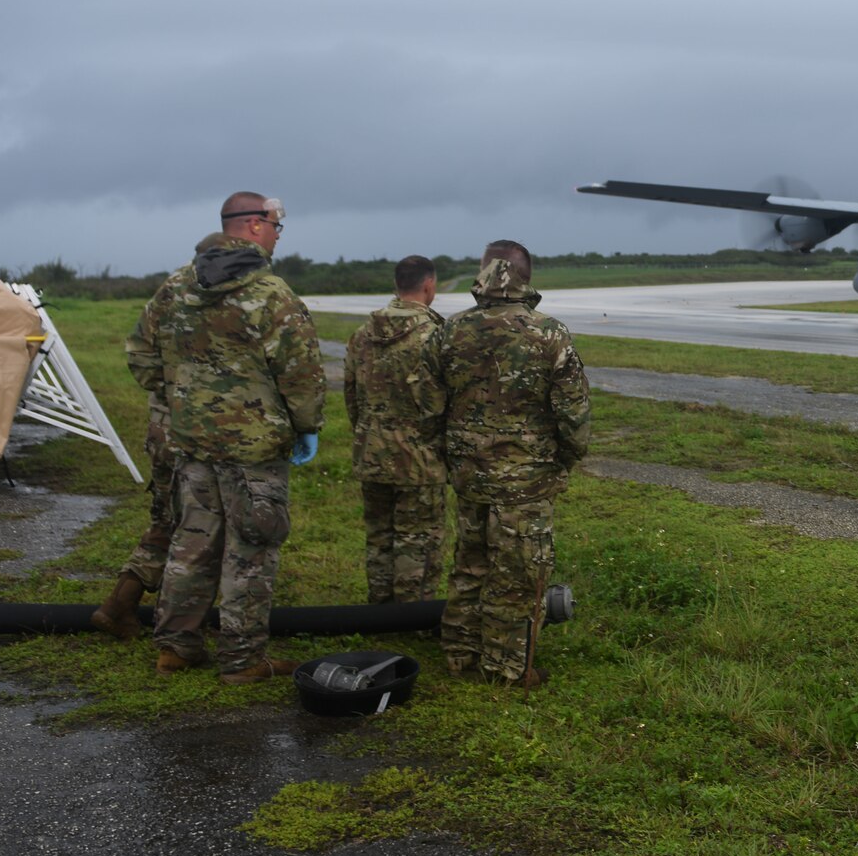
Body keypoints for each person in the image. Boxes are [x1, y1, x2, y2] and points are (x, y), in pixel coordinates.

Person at [131, 192, 326, 683]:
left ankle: (176, 647)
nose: (279, 236)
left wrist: (184, 399)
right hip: (254, 452)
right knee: (252, 548)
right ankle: (241, 660)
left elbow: (141, 355)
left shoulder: (175, 287)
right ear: (255, 226)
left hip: (193, 443)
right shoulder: (273, 295)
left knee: (192, 542)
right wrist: (306, 427)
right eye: (278, 227)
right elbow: (301, 375)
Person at [436, 240, 589, 686]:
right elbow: (573, 414)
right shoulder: (548, 333)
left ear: (484, 273)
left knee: (470, 564)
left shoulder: (450, 330)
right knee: (519, 574)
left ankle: (460, 655)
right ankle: (505, 669)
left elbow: (430, 403)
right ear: (527, 275)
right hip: (526, 480)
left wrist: (452, 454)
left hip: (469, 474)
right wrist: (564, 460)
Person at [94, 256, 198, 640]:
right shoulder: (230, 292)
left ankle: (118, 606)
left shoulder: (169, 290)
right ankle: (182, 626)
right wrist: (187, 397)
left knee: (166, 523)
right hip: (197, 430)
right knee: (200, 529)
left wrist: (169, 393)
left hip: (164, 426)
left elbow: (138, 354)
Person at [344, 255, 449, 604]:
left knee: (379, 536)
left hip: (372, 451)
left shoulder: (362, 335)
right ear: (429, 285)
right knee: (418, 539)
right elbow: (445, 402)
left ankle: (380, 607)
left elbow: (351, 396)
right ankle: (410, 615)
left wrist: (368, 433)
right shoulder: (437, 336)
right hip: (420, 459)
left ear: (396, 285)